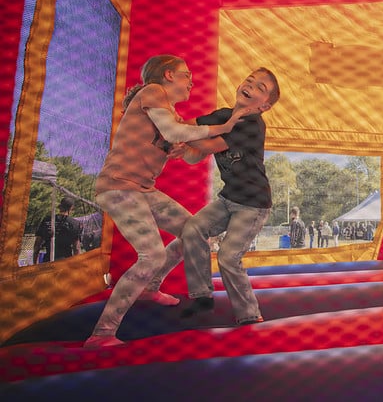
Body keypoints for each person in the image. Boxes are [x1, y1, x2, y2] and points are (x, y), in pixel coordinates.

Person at [84, 55, 254, 348]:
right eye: (186, 75)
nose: (191, 82)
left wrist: (195, 147)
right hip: (118, 186)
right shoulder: (152, 91)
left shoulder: (169, 114)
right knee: (152, 255)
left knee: (194, 232)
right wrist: (224, 127)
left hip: (143, 189)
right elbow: (174, 132)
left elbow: (187, 152)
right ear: (168, 75)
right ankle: (101, 334)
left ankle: (149, 287)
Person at [179, 68, 280, 326]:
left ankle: (249, 315)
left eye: (260, 88)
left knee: (227, 256)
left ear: (264, 106)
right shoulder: (224, 115)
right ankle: (202, 296)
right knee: (192, 228)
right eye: (249, 80)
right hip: (229, 198)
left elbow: (209, 145)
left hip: (253, 204)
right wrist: (167, 124)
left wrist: (176, 134)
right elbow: (190, 124)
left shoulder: (253, 126)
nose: (250, 86)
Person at [33, 197, 82, 263]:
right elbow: (76, 248)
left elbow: (37, 245)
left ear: (60, 206)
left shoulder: (47, 220)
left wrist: (35, 263)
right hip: (65, 262)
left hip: (48, 260)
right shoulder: (75, 224)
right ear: (71, 208)